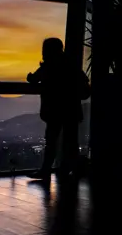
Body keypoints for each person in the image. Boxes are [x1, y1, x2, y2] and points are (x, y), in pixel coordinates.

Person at [27, 38, 90, 180]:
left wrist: (31, 77)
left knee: (51, 141)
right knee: (70, 141)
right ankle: (67, 169)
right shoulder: (71, 66)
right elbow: (84, 86)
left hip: (54, 111)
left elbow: (33, 79)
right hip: (71, 111)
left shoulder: (48, 66)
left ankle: (46, 170)